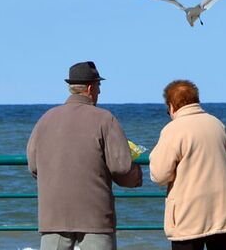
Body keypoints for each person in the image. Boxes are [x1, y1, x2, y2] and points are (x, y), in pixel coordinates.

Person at [27, 61, 143, 250]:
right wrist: (137, 176)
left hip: (53, 215)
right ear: (90, 88)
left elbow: (33, 165)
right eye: (99, 87)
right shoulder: (105, 119)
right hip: (94, 216)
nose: (99, 92)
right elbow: (120, 167)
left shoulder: (46, 119)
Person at [149, 80, 226, 250]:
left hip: (188, 216)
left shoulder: (173, 129)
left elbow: (160, 175)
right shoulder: (218, 124)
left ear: (171, 106)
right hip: (222, 213)